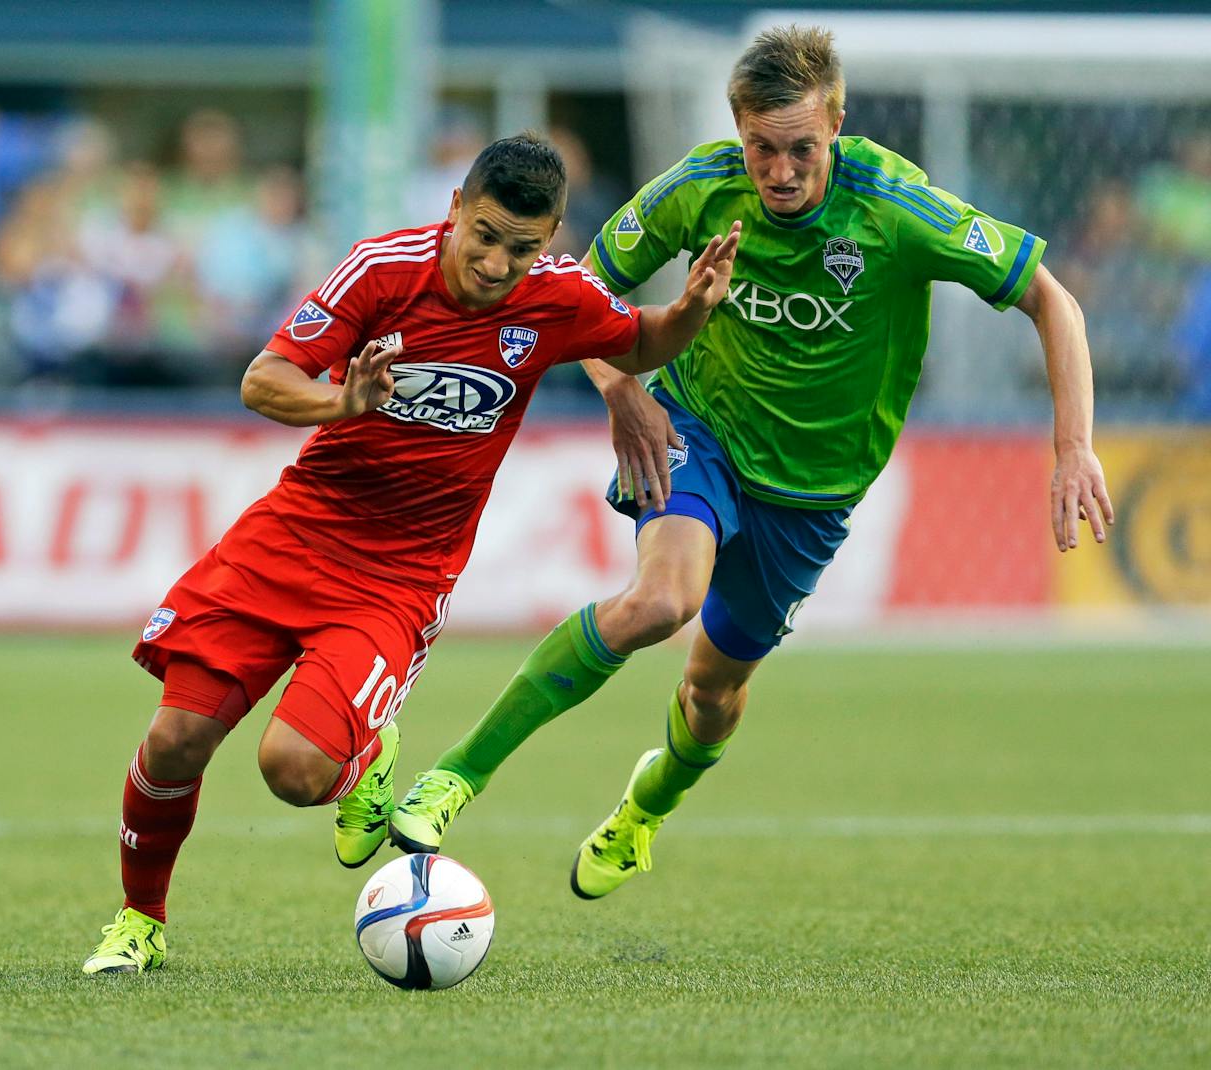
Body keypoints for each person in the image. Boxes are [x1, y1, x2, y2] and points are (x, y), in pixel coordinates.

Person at [389, 26, 1116, 901]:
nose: (779, 172)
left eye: (801, 149)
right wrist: (623, 388)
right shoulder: (702, 186)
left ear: (837, 125)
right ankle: (456, 778)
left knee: (712, 692)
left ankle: (645, 809)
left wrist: (1073, 447)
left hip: (813, 494)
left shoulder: (896, 209)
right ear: (739, 134)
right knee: (662, 601)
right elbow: (577, 284)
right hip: (698, 431)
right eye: (761, 149)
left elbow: (1052, 298)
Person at [80, 133, 740, 973]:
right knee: (176, 738)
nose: (500, 263)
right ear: (455, 209)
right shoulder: (382, 270)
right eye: (487, 236)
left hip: (400, 576)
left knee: (291, 769)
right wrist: (340, 399)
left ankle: (365, 753)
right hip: (293, 534)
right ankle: (140, 922)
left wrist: (692, 309)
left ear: (553, 236)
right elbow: (262, 378)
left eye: (523, 246)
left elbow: (640, 342)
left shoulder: (558, 295)